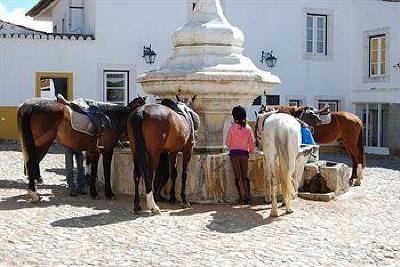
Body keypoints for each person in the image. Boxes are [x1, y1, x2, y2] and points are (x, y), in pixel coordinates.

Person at [225, 105, 255, 204]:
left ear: (234, 116)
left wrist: (232, 147)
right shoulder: (248, 128)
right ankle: (248, 197)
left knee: (237, 176)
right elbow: (252, 142)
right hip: (244, 154)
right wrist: (250, 151)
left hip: (234, 154)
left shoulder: (232, 128)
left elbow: (227, 143)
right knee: (245, 176)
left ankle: (241, 197)